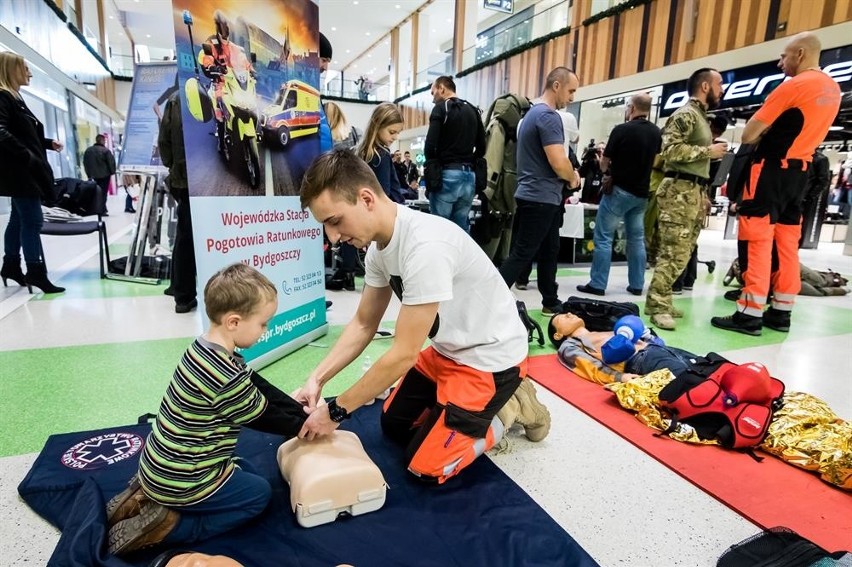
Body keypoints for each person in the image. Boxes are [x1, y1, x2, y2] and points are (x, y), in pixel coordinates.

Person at [295, 149, 547, 485]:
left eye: (335, 221)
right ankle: (462, 412)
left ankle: (510, 407)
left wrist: (337, 410)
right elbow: (363, 324)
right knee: (393, 426)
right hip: (447, 351)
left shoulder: (425, 246)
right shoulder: (379, 250)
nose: (333, 237)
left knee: (425, 468)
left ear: (366, 198)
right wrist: (317, 379)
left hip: (490, 361)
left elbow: (403, 353)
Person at [105, 264, 307, 555]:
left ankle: (149, 496)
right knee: (259, 495)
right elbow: (265, 416)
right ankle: (171, 525)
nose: (267, 330)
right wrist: (305, 426)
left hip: (158, 467)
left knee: (245, 469)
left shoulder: (202, 349)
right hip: (184, 479)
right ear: (234, 322)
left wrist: (297, 408)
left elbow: (257, 383)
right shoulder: (226, 376)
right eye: (263, 323)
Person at [711, 33, 841, 336]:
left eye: (784, 56)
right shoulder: (832, 89)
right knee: (786, 244)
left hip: (770, 171)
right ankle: (781, 311)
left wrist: (763, 132)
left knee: (756, 241)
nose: (780, 62)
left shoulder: (794, 86)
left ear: (800, 52)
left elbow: (748, 135)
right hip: (799, 175)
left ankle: (749, 313)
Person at [644, 68, 728, 331]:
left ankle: (663, 300)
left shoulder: (700, 118)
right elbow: (669, 150)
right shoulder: (686, 115)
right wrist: (708, 151)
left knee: (683, 252)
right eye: (719, 84)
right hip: (678, 191)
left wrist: (702, 194)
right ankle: (657, 305)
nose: (722, 89)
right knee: (672, 251)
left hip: (692, 191)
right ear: (705, 86)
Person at [498, 67, 580, 314]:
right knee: (522, 254)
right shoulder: (548, 117)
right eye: (571, 90)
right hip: (540, 197)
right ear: (556, 85)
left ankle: (550, 300)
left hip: (537, 196)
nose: (572, 97)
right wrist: (573, 177)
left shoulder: (532, 115)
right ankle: (488, 301)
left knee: (549, 250)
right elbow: (558, 160)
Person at [577, 93, 661, 297]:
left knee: (604, 237)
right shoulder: (656, 133)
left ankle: (597, 284)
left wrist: (608, 170)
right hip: (641, 194)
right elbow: (657, 161)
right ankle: (636, 284)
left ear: (631, 108)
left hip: (618, 191)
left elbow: (605, 163)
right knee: (637, 239)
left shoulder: (621, 130)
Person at [0, 51, 65, 294]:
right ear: (11, 70)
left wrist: (47, 144)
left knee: (17, 219)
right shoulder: (4, 97)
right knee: (33, 221)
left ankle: (10, 266)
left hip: (23, 171)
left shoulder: (15, 97)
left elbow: (24, 133)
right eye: (24, 67)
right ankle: (36, 272)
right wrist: (26, 154)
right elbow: (2, 131)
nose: (29, 73)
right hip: (21, 173)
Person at [424, 76, 486, 232]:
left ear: (442, 88)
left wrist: (434, 166)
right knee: (461, 229)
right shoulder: (473, 110)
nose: (433, 99)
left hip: (447, 176)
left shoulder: (440, 108)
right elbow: (482, 148)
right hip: (469, 179)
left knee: (440, 229)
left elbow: (430, 146)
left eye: (433, 93)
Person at [158, 92, 197, 314]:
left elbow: (164, 142)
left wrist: (174, 167)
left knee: (185, 238)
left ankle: (183, 296)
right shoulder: (219, 84)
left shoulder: (175, 99)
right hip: (212, 175)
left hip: (184, 179)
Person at [356, 102, 406, 204]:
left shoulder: (362, 152)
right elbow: (384, 195)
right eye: (392, 132)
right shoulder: (382, 156)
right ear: (377, 126)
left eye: (398, 133)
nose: (395, 137)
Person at [82, 134, 116, 216]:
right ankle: (102, 210)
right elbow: (111, 163)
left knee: (94, 193)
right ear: (102, 141)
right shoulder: (105, 151)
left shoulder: (88, 150)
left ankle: (95, 209)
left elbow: (85, 163)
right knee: (103, 193)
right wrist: (112, 172)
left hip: (92, 175)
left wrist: (89, 174)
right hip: (104, 176)